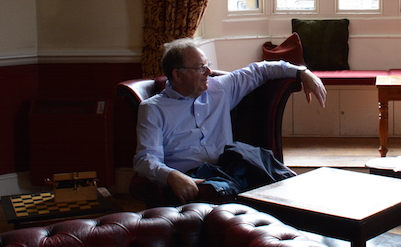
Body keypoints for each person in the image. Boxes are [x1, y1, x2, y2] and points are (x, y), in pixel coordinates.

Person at [133, 38, 327, 203]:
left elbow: (260, 70)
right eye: (201, 68)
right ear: (177, 74)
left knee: (260, 161)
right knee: (219, 189)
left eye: (207, 65)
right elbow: (145, 159)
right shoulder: (153, 109)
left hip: (231, 166)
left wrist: (302, 73)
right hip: (194, 178)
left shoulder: (220, 89)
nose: (209, 72)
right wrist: (171, 176)